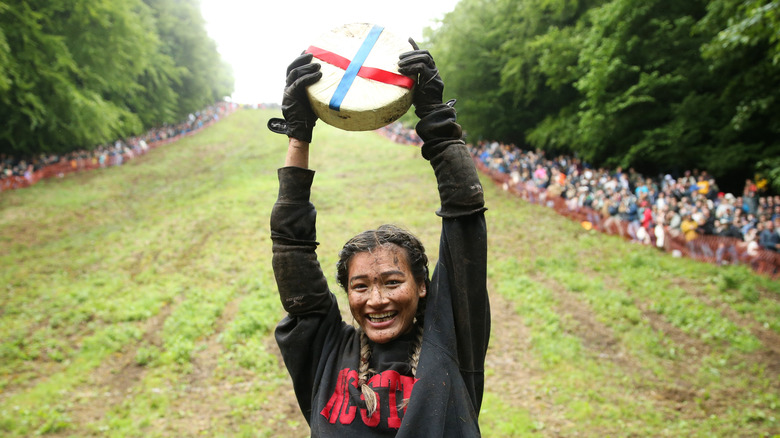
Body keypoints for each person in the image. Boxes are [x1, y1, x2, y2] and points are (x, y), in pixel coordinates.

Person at [268, 40, 490, 436]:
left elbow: (465, 220)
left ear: (423, 286)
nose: (377, 300)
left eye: (392, 281)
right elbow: (292, 247)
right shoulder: (327, 352)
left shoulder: (452, 340)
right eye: (360, 286)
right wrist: (298, 136)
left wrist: (436, 118)